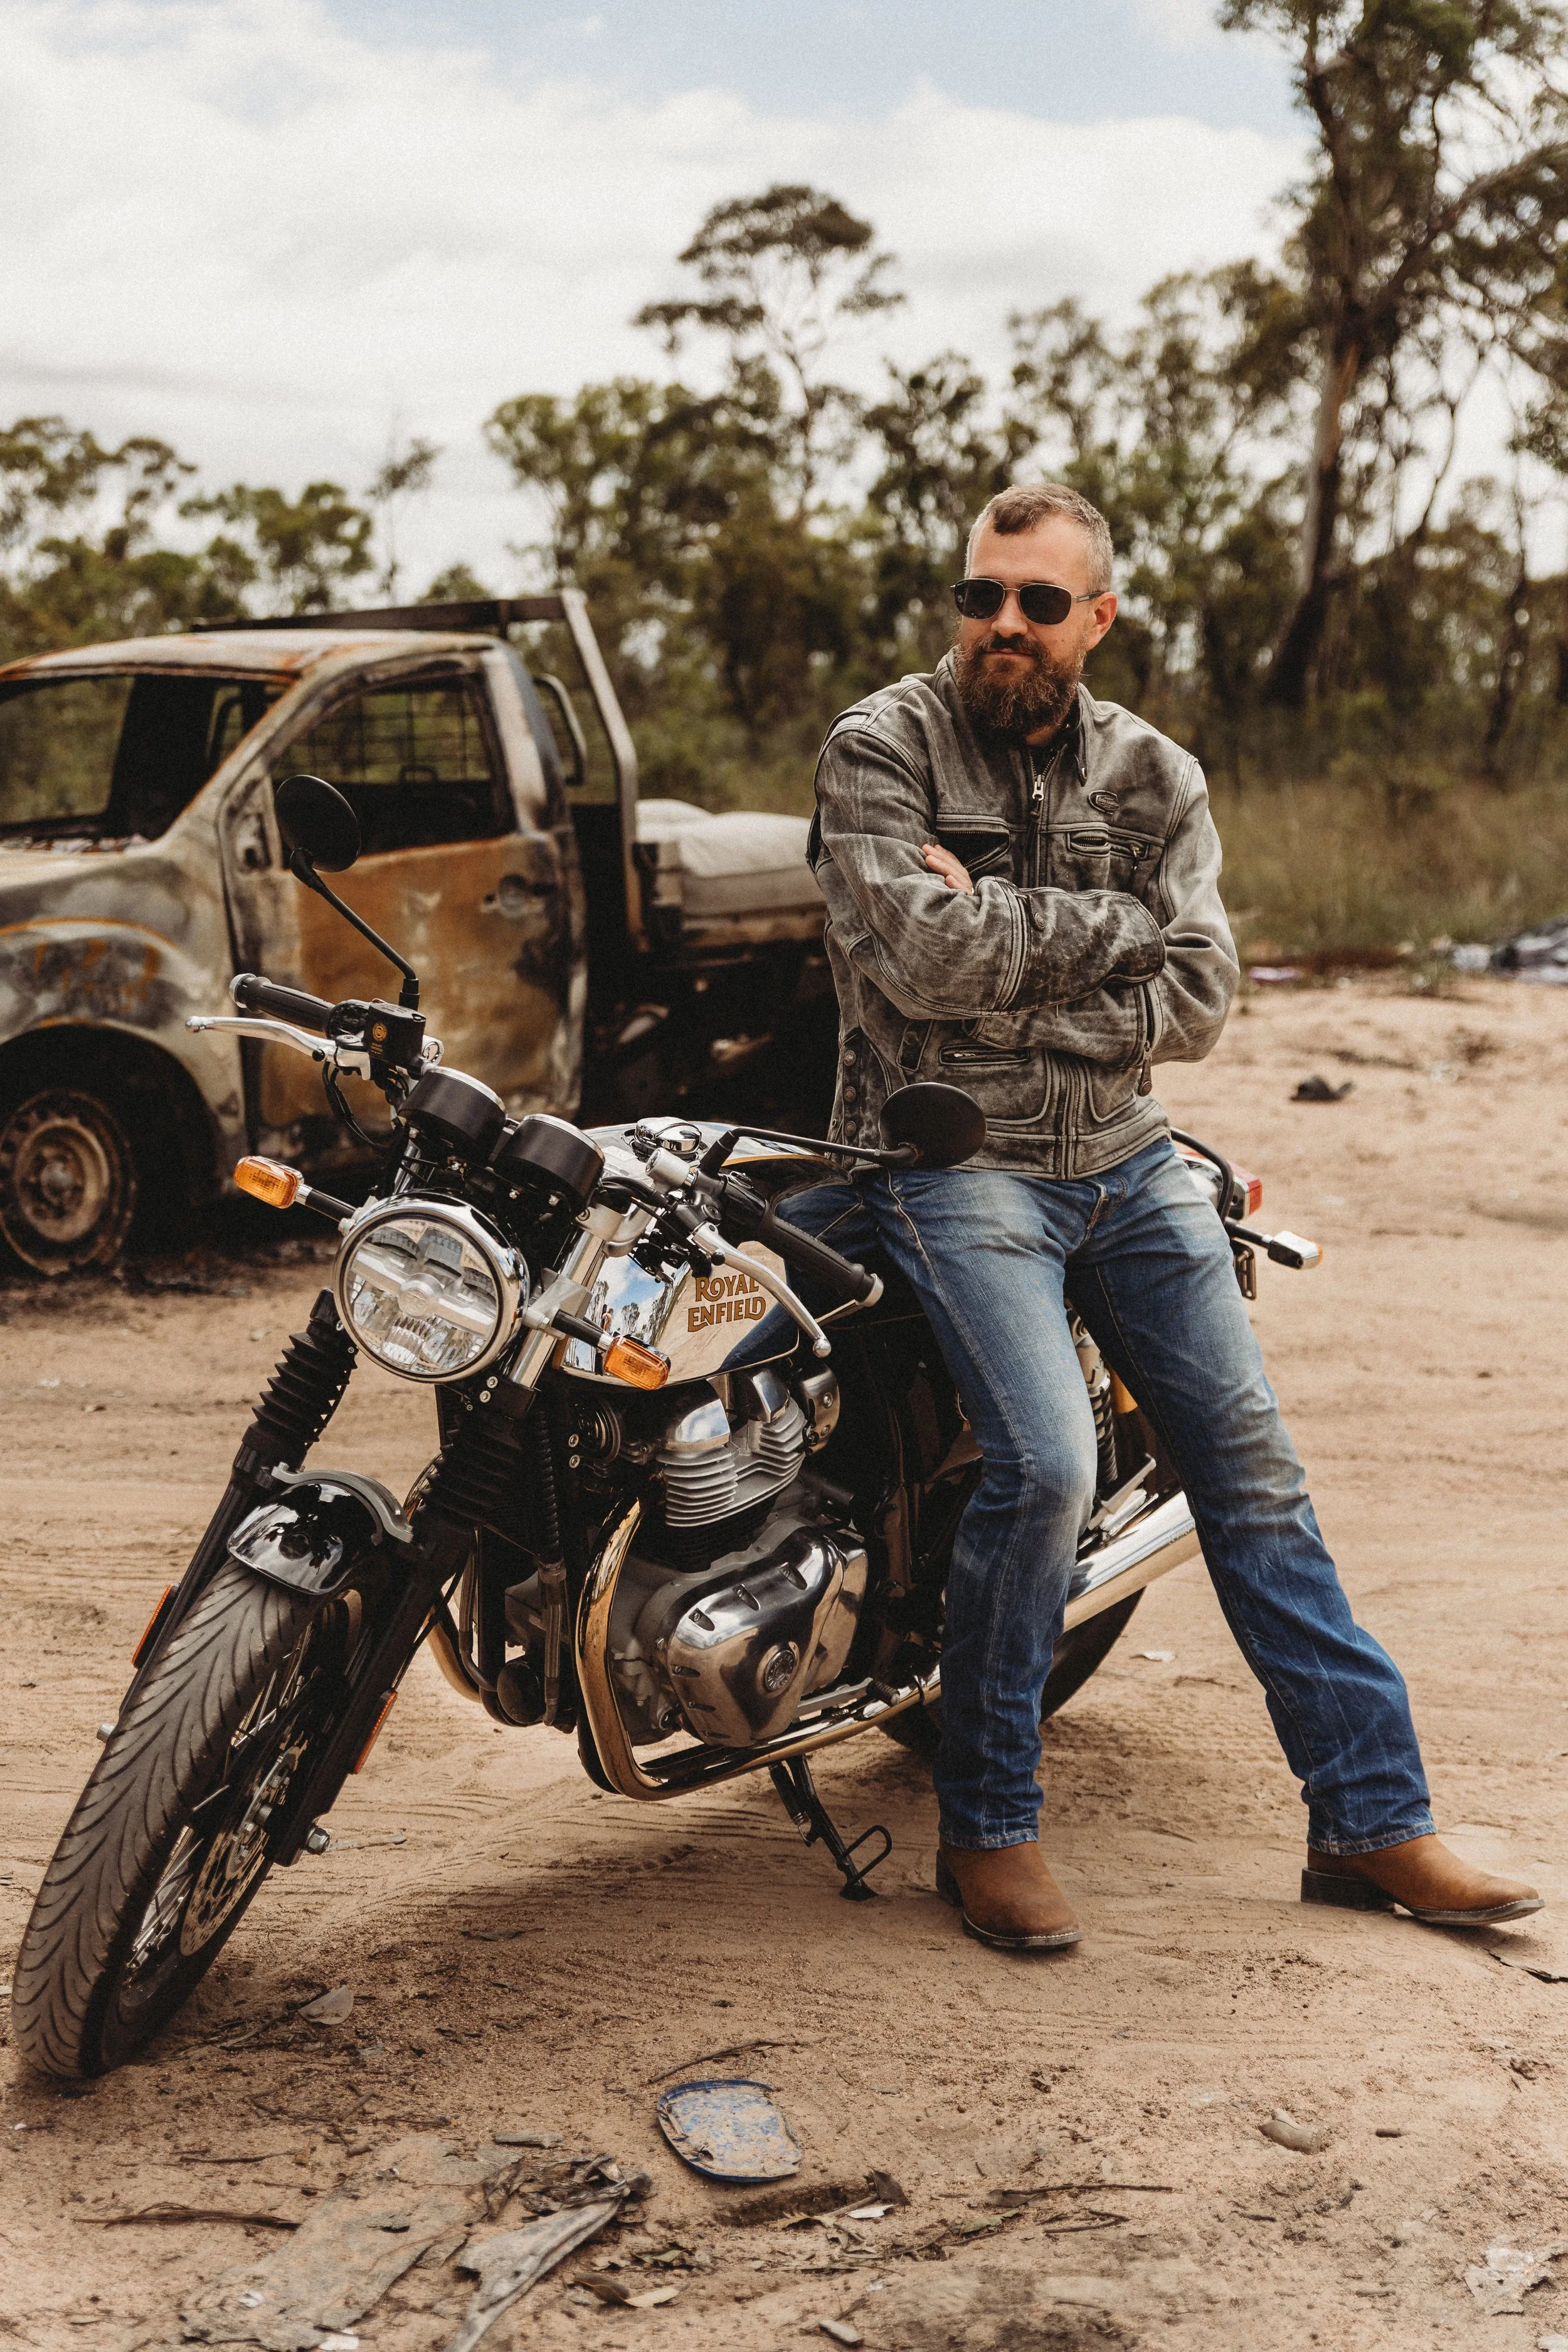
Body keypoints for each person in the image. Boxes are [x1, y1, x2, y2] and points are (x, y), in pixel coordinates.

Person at [798, 480, 1540, 1953]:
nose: (1000, 623)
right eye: (978, 595)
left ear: (1097, 616)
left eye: (1036, 601)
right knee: (1044, 1465)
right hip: (954, 1160)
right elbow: (919, 971)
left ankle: (1370, 1821)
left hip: (1128, 1161)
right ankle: (986, 1829)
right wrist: (1114, 932)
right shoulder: (880, 749)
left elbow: (1196, 999)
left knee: (1253, 1479)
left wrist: (1005, 938)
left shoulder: (1154, 776)